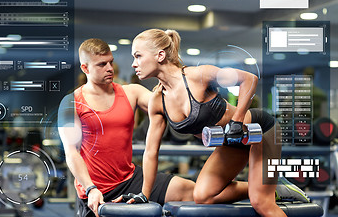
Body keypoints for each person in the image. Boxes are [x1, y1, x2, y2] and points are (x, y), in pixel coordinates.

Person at [128, 29, 309, 217]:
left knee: (261, 203)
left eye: (138, 56)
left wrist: (237, 121)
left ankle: (265, 192)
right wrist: (145, 194)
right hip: (232, 145)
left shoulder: (198, 76)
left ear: (160, 55)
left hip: (258, 130)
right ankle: (277, 188)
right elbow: (150, 152)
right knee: (202, 195)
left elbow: (249, 79)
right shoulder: (158, 102)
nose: (134, 64)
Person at [57, 38, 195, 217]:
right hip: (96, 190)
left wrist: (170, 74)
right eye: (101, 64)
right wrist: (90, 188)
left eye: (111, 62)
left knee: (194, 191)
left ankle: (245, 187)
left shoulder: (132, 93)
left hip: (131, 179)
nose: (109, 68)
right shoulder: (71, 103)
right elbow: (72, 153)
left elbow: (167, 104)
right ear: (85, 68)